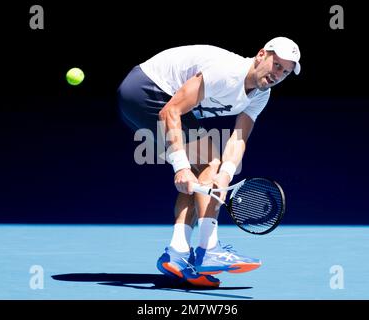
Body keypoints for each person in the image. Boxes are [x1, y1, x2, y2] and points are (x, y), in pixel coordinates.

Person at [116, 37, 301, 287]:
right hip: (147, 88)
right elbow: (169, 112)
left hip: (144, 97)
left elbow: (238, 137)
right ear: (261, 55)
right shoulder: (228, 72)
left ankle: (177, 253)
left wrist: (224, 176)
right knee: (206, 162)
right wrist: (180, 166)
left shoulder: (260, 95)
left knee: (206, 170)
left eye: (286, 72)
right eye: (277, 64)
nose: (278, 74)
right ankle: (208, 247)